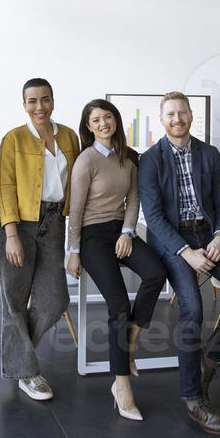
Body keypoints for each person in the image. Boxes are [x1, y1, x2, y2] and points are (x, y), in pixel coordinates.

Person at [137, 91, 220, 435]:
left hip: (209, 234)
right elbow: (154, 216)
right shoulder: (150, 159)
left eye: (182, 113)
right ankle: (194, 399)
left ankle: (209, 360)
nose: (177, 119)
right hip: (173, 242)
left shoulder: (209, 154)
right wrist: (185, 252)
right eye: (170, 114)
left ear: (192, 116)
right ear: (161, 120)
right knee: (192, 308)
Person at [67, 99, 167, 421]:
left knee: (155, 273)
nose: (102, 124)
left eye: (107, 117)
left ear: (116, 121)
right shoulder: (86, 161)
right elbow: (77, 210)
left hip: (120, 231)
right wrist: (74, 251)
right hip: (93, 234)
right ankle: (121, 383)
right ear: (88, 127)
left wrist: (127, 232)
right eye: (95, 120)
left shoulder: (129, 158)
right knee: (119, 305)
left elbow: (134, 198)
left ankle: (132, 337)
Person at [0, 78, 79, 401]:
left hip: (55, 222)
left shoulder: (69, 137)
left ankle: (19, 357)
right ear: (24, 105)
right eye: (32, 101)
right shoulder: (13, 139)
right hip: (20, 225)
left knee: (54, 299)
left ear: (53, 101)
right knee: (14, 300)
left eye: (45, 99)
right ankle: (28, 372)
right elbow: (4, 187)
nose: (39, 107)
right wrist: (12, 234)